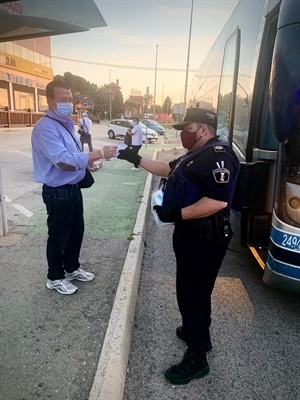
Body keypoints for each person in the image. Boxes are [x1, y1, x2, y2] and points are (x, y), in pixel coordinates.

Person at [117, 107, 240, 385]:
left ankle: (197, 358)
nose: (183, 133)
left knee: (192, 295)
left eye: (188, 127)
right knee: (192, 291)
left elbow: (218, 201)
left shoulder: (218, 157)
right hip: (192, 237)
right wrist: (134, 158)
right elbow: (168, 168)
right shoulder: (197, 153)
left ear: (204, 129)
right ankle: (198, 334)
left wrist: (176, 214)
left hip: (204, 239)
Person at [31, 79, 116, 295]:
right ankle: (55, 276)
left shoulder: (66, 123)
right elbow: (62, 161)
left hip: (72, 188)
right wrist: (100, 153)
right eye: (63, 100)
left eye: (70, 99)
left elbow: (74, 157)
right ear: (50, 102)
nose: (68, 103)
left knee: (76, 231)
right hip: (57, 191)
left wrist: (87, 163)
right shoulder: (45, 127)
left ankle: (71, 268)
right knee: (59, 235)